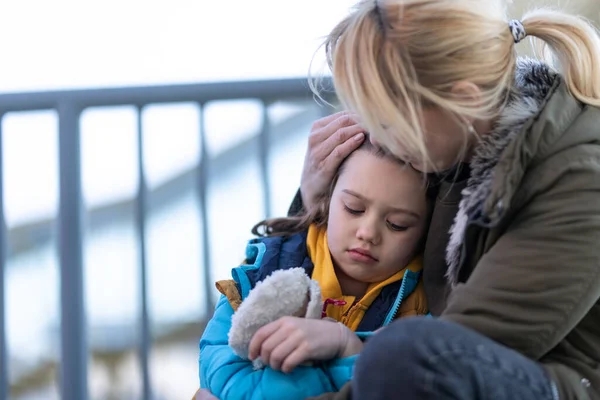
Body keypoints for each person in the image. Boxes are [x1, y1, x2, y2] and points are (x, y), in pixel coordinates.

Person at [291, 0, 600, 399]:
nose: (376, 137)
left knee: (402, 355)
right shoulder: (452, 142)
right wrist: (311, 199)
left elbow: (440, 357)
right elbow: (320, 277)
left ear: (463, 99)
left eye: (386, 120)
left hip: (560, 383)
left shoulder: (580, 184)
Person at [197, 139, 431, 400]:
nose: (368, 233)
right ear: (327, 201)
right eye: (354, 208)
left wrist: (347, 347)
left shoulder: (427, 307)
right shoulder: (264, 270)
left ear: (425, 233)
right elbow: (217, 366)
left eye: (397, 224)